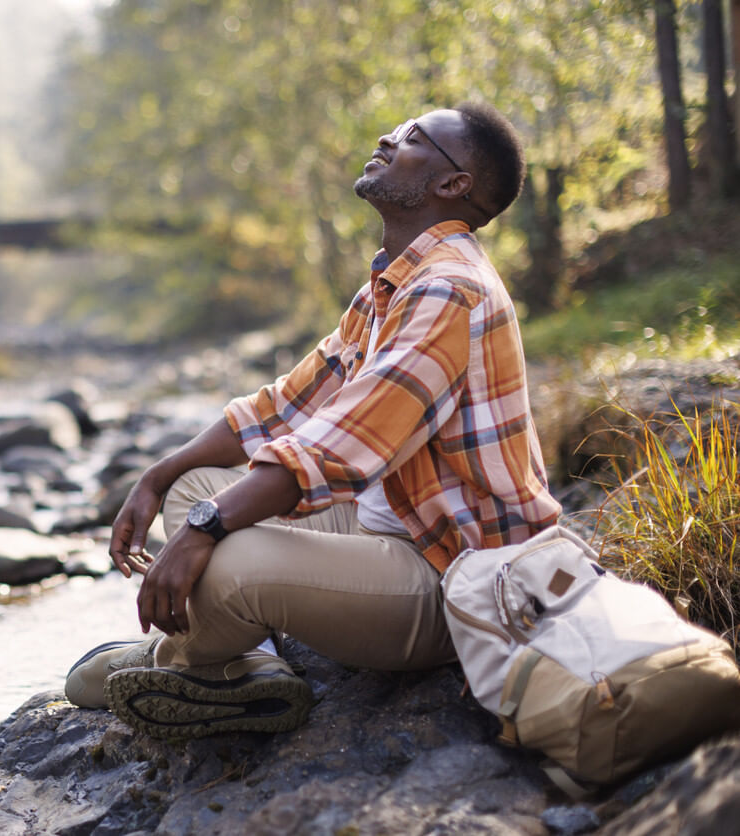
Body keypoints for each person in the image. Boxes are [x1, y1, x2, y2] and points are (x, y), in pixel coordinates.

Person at [64, 102, 563, 740]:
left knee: (228, 553)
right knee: (199, 486)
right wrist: (159, 477)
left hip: (457, 582)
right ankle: (246, 662)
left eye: (414, 137)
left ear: (453, 184)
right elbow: (281, 409)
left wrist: (202, 531)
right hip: (391, 528)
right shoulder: (390, 285)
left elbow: (335, 451)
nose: (389, 135)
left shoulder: (449, 289)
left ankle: (181, 662)